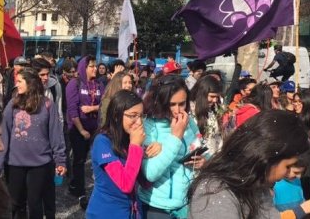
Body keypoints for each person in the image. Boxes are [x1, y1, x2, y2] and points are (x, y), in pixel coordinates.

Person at [187, 110, 310, 219]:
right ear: (267, 157)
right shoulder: (215, 193)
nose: (288, 174)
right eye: (288, 166)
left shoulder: (256, 186)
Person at [0, 68, 66, 219]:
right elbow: (4, 134)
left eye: (20, 81)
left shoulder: (47, 105)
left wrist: (60, 160)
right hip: (14, 164)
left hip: (39, 164)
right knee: (16, 203)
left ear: (31, 83)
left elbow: (55, 134)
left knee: (35, 203)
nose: (17, 84)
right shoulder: (12, 104)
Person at [139, 74, 205, 218]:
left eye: (182, 103)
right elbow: (150, 173)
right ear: (161, 102)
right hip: (157, 205)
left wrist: (203, 161)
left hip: (186, 202)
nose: (178, 110)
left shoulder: (189, 122)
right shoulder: (149, 126)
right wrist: (175, 137)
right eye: (172, 104)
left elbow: (201, 149)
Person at [86, 90, 146, 218]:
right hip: (107, 212)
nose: (139, 122)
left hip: (131, 211)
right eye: (133, 115)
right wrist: (135, 146)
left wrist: (151, 152)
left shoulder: (128, 138)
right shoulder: (102, 141)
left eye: (141, 116)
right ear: (116, 115)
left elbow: (144, 181)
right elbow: (125, 184)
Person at [65, 55, 104, 204]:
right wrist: (82, 130)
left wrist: (92, 108)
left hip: (95, 129)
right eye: (91, 66)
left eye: (95, 66)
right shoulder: (74, 84)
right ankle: (81, 193)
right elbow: (73, 110)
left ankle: (75, 184)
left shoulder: (99, 84)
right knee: (79, 160)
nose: (95, 69)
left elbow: (105, 103)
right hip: (78, 129)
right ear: (84, 68)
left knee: (95, 159)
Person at [189, 76, 223, 156]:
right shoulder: (189, 112)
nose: (215, 100)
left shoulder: (214, 109)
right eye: (212, 96)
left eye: (217, 97)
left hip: (214, 157)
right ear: (201, 94)